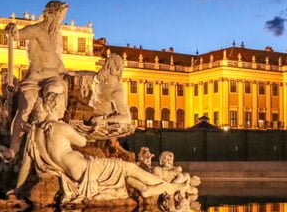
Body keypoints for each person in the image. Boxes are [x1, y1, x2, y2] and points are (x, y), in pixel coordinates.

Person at [18, 79, 189, 204]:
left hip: (78, 170)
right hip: (87, 169)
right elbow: (83, 142)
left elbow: (26, 164)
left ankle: (146, 189)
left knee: (125, 172)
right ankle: (168, 187)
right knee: (128, 167)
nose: (65, 107)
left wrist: (17, 189)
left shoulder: (34, 131)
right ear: (57, 103)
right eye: (64, 102)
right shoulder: (61, 128)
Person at [2, 0, 71, 159]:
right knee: (25, 106)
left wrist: (68, 73)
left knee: (55, 92)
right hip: (34, 78)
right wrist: (13, 30)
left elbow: (56, 59)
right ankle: (13, 148)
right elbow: (18, 35)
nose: (62, 20)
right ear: (53, 14)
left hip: (53, 76)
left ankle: (52, 142)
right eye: (61, 16)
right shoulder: (36, 30)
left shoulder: (57, 35)